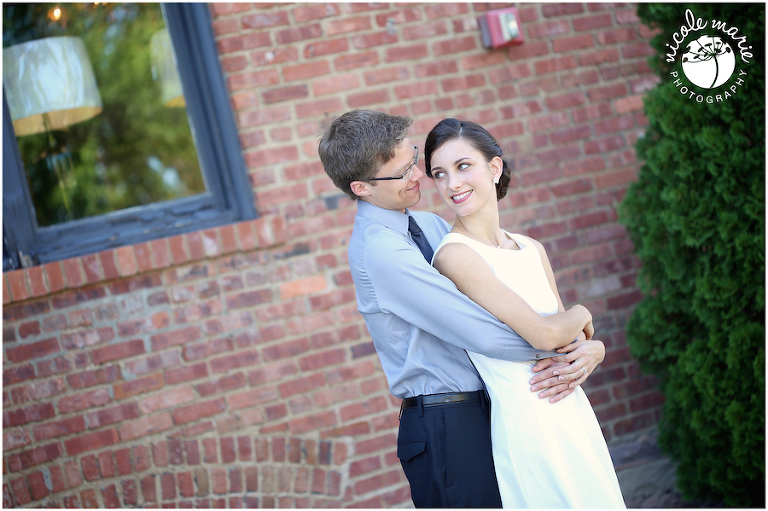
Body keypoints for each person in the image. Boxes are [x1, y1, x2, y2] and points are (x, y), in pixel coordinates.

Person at [318, 109, 607, 508]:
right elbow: (484, 333)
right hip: (444, 424)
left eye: (414, 160)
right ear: (361, 187)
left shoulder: (432, 227)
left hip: (490, 407)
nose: (418, 176)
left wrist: (588, 349)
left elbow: (509, 310)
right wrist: (571, 343)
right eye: (402, 173)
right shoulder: (380, 250)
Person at [424, 117, 625, 508]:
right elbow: (546, 335)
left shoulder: (531, 248)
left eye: (463, 166)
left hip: (573, 411)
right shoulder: (455, 256)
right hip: (529, 422)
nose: (452, 184)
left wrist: (593, 348)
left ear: (494, 168)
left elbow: (571, 339)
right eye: (439, 174)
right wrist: (582, 312)